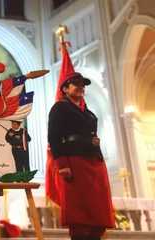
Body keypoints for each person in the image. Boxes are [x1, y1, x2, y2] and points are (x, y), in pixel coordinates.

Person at [48, 72, 114, 240]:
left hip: (94, 163)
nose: (80, 87)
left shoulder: (89, 113)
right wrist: (62, 165)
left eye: (82, 84)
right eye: (75, 83)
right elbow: (54, 137)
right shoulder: (60, 107)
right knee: (80, 213)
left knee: (97, 211)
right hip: (75, 162)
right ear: (64, 89)